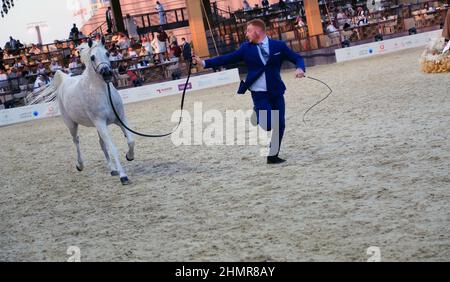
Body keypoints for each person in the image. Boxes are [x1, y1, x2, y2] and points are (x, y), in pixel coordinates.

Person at [193, 19, 305, 164]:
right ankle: (257, 112)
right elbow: (227, 58)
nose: (246, 34)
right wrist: (204, 63)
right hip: (259, 93)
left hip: (276, 91)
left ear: (257, 31)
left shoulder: (278, 46)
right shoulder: (246, 48)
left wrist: (300, 68)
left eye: (248, 30)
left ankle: (272, 156)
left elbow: (297, 58)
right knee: (268, 125)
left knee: (280, 124)